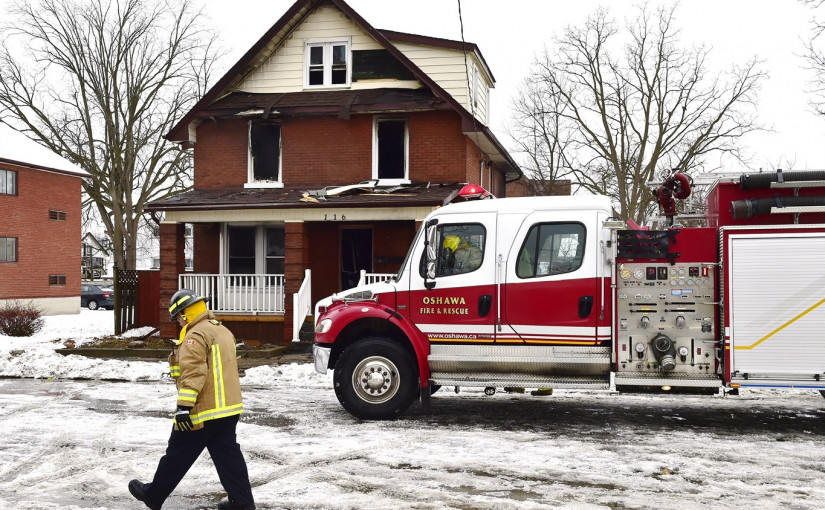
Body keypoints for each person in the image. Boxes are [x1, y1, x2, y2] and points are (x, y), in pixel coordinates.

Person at [129, 289, 255, 510]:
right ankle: (242, 502)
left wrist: (184, 407)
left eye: (178, 316)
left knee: (177, 454)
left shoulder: (194, 336)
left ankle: (153, 495)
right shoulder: (222, 331)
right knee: (228, 457)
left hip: (203, 409)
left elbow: (194, 373)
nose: (178, 321)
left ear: (186, 314)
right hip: (228, 408)